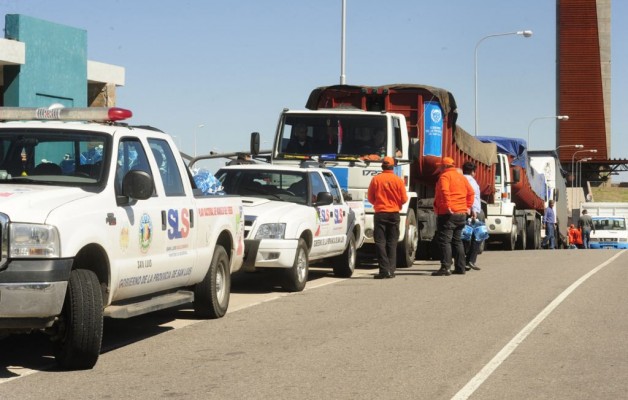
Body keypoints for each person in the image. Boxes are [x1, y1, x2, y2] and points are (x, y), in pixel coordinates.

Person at [367, 156, 408, 279]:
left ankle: (384, 270)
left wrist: (378, 204)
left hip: (380, 213)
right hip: (394, 214)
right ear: (393, 166)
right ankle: (391, 270)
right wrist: (396, 204)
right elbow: (404, 199)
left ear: (382, 166)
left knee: (380, 242)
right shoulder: (398, 180)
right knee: (392, 242)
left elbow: (370, 197)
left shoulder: (376, 179)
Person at [433, 156, 474, 276]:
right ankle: (460, 267)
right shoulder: (461, 177)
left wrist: (448, 206)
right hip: (461, 213)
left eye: (440, 166)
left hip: (448, 213)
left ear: (445, 166)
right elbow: (471, 192)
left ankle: (445, 267)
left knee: (445, 241)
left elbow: (445, 191)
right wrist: (468, 206)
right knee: (457, 241)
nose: (439, 168)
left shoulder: (445, 176)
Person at [462, 161, 482, 271]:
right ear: (473, 172)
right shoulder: (472, 182)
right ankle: (470, 260)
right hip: (471, 212)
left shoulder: (459, 179)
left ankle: (462, 261)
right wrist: (474, 210)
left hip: (459, 210)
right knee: (478, 235)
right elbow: (473, 197)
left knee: (462, 237)